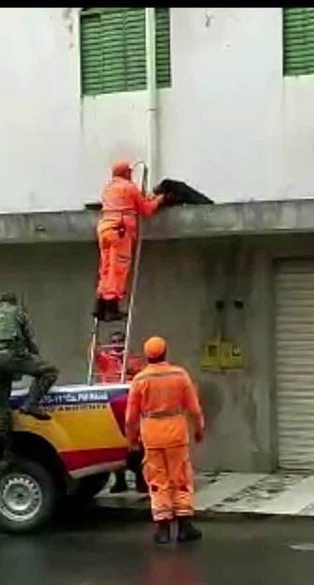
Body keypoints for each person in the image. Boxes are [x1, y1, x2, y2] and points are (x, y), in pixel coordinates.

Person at [125, 336, 205, 544]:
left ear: (147, 356)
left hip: (151, 436)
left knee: (157, 481)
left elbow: (130, 418)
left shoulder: (140, 380)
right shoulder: (179, 375)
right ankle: (185, 526)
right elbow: (194, 409)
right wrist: (199, 429)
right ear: (165, 352)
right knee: (181, 479)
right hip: (176, 434)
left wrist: (132, 440)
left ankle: (163, 529)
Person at [0, 292, 59, 440]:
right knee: (49, 371)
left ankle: (7, 450)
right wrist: (35, 359)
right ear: (14, 302)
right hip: (12, 354)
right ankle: (31, 404)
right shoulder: (17, 312)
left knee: (1, 408)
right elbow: (30, 341)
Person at [95, 161, 164, 323]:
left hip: (104, 229)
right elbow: (146, 210)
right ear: (126, 173)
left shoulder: (108, 188)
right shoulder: (128, 187)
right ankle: (112, 308)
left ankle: (100, 306)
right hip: (120, 230)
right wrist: (160, 200)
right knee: (118, 268)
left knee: (106, 268)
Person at [93, 330, 148, 494]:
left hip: (132, 406)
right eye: (113, 341)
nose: (116, 345)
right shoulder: (105, 360)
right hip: (112, 406)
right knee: (115, 444)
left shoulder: (134, 360)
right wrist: (95, 335)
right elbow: (94, 353)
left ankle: (140, 479)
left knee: (136, 445)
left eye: (119, 341)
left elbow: (142, 378)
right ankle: (120, 480)